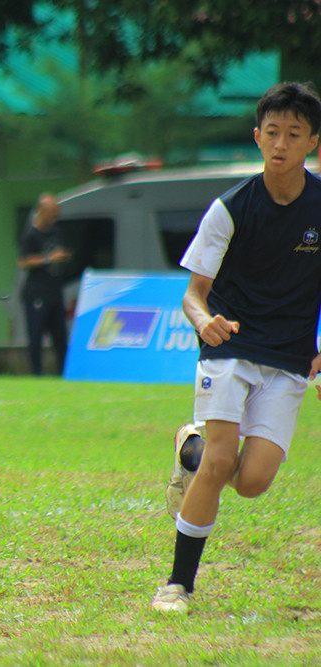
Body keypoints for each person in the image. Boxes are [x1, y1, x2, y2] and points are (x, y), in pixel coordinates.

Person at [152, 82, 321, 614]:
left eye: (293, 134)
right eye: (272, 133)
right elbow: (193, 294)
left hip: (290, 359)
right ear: (256, 137)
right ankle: (177, 585)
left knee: (252, 482)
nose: (280, 144)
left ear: (312, 142)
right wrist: (205, 324)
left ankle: (189, 446)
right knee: (222, 461)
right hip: (231, 348)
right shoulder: (230, 208)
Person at [17, 193, 71, 375]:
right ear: (41, 212)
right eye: (51, 212)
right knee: (36, 336)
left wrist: (63, 258)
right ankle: (36, 373)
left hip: (55, 291)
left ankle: (64, 372)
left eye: (56, 212)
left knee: (61, 336)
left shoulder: (57, 232)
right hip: (36, 293)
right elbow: (23, 262)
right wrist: (49, 258)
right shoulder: (30, 235)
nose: (55, 216)